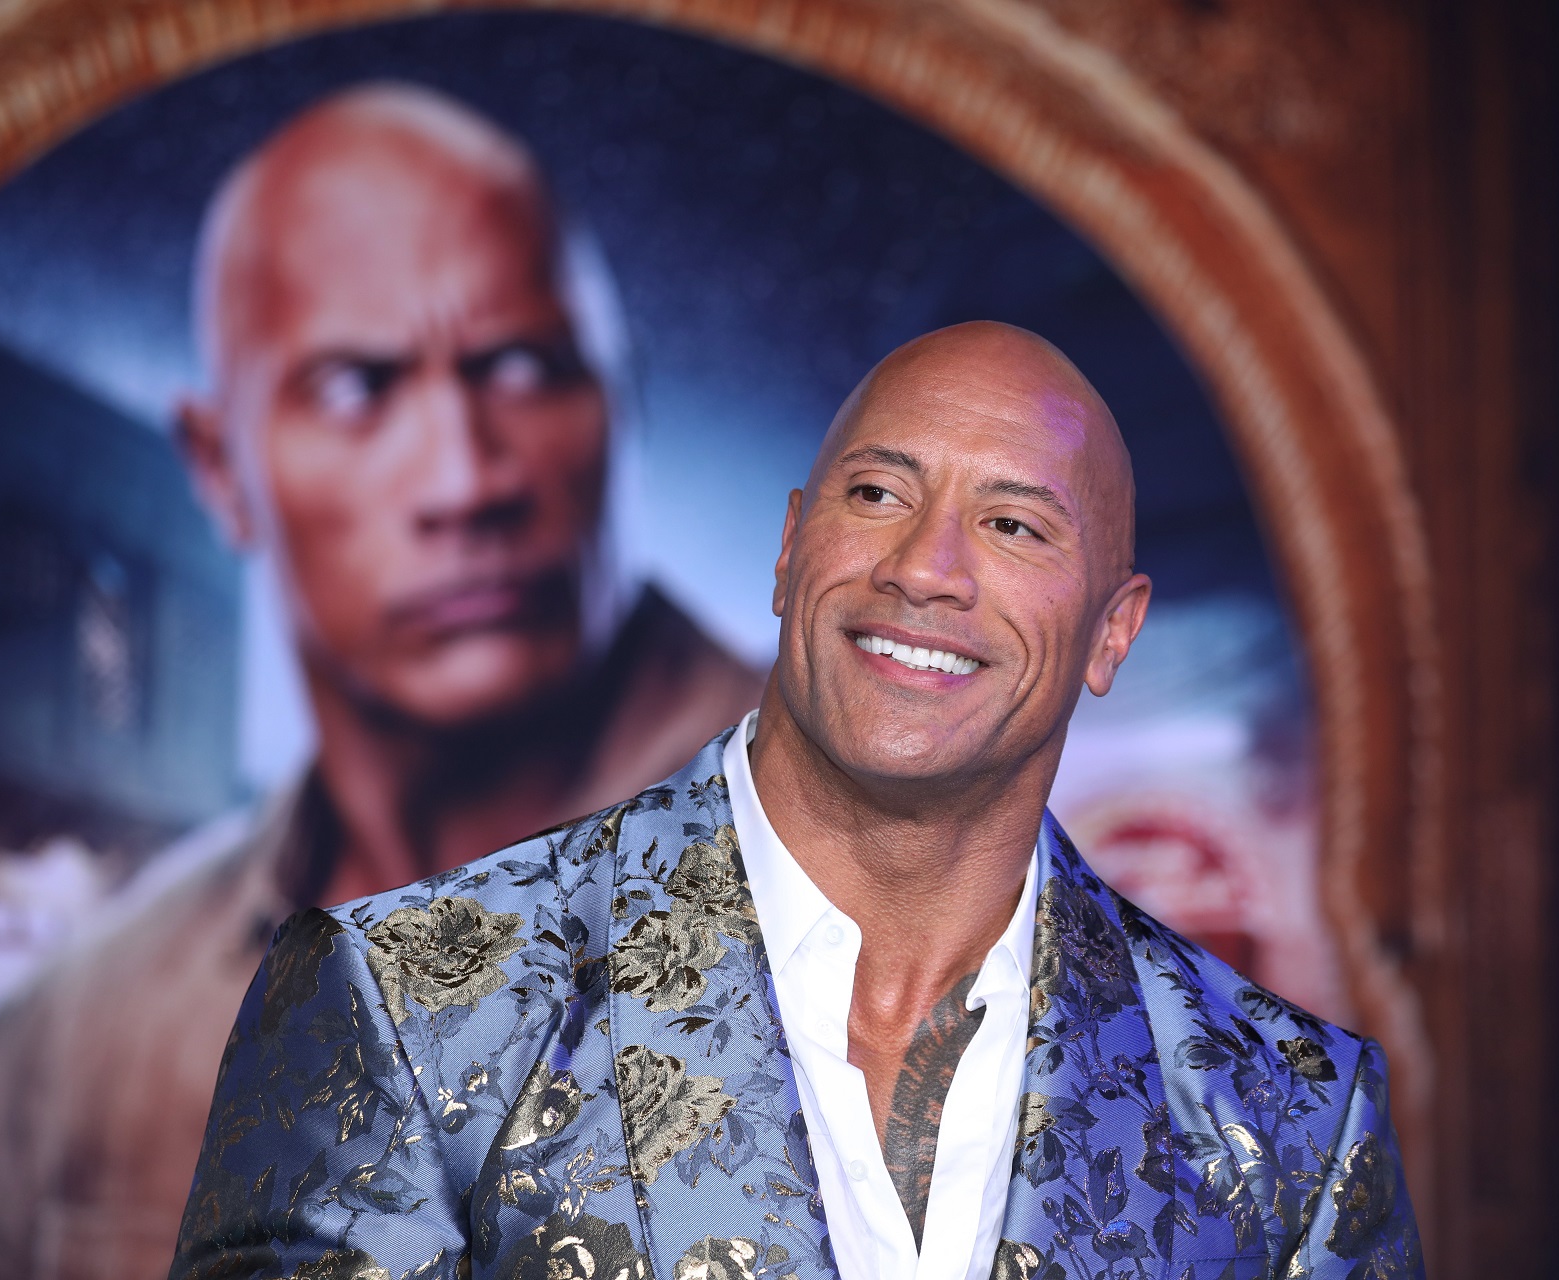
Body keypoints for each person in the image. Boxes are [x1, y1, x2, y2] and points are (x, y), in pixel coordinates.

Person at [171, 322, 1423, 1280]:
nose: (926, 568)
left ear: (1113, 630)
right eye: (878, 494)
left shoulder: (1294, 1119)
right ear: (789, 549)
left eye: (1014, 525)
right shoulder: (404, 1007)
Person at [0, 85, 762, 1280]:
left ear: (621, 398)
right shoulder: (55, 1072)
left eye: (526, 367)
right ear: (221, 469)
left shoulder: (948, 880)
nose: (464, 479)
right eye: (355, 388)